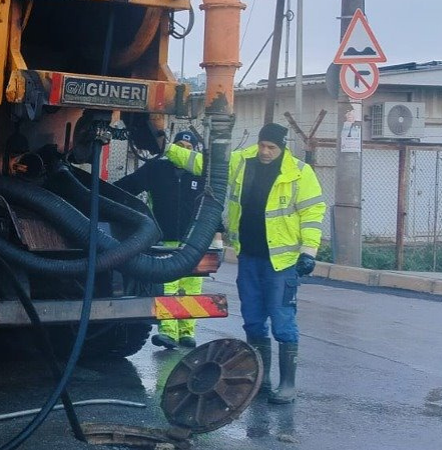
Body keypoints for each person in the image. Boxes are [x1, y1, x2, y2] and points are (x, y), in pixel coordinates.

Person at [225, 123, 325, 404]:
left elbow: (313, 212)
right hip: (249, 257)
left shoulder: (299, 173)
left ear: (283, 148)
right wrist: (168, 148)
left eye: (272, 147)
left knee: (282, 321)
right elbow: (207, 164)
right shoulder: (242, 161)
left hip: (281, 262)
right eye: (262, 145)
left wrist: (309, 251)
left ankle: (288, 385)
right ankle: (261, 381)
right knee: (253, 321)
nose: (265, 152)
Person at [115, 130, 211, 349]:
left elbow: (212, 204)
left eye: (188, 149)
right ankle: (167, 332)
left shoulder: (200, 174)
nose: (183, 153)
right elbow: (128, 186)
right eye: (180, 147)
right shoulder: (157, 169)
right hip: (162, 240)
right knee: (167, 287)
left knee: (190, 289)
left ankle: (187, 333)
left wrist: (216, 232)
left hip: (192, 242)